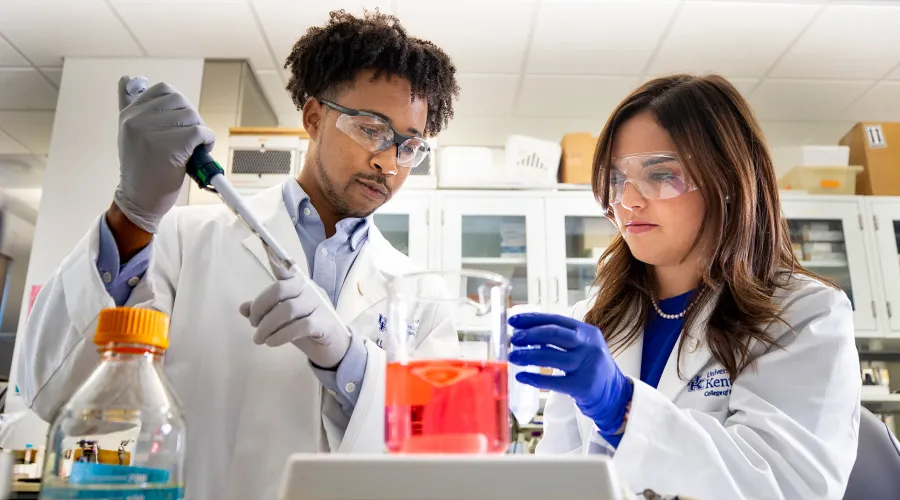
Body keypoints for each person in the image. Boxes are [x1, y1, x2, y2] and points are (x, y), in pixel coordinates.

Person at [17, 10, 460, 500]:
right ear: (314, 118)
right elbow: (53, 389)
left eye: (409, 146)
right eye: (372, 129)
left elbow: (446, 451)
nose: (388, 162)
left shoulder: (422, 293)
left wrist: (350, 363)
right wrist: (132, 218)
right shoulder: (183, 241)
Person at [507, 74, 861, 499]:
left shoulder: (805, 314)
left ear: (728, 180)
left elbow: (786, 485)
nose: (628, 201)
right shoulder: (596, 320)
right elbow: (559, 481)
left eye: (660, 173)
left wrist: (623, 408)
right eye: (616, 179)